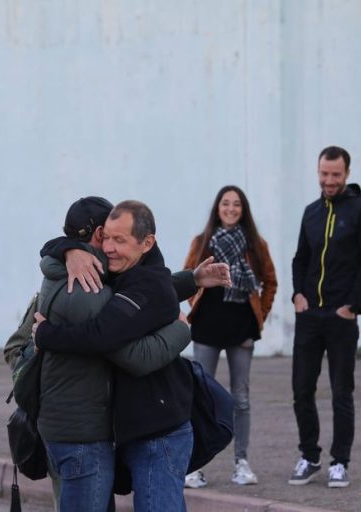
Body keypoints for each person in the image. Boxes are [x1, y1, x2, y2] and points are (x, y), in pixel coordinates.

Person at [34, 196, 193, 512]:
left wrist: (193, 279)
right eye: (107, 236)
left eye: (119, 239)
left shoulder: (65, 275)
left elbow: (146, 286)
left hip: (136, 427)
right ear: (95, 236)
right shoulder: (88, 284)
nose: (109, 246)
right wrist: (182, 330)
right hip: (84, 432)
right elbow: (131, 354)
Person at [288, 146, 361, 488]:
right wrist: (297, 295)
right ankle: (309, 456)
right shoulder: (311, 212)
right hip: (309, 316)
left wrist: (353, 306)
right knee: (301, 389)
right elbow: (301, 258)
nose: (329, 181)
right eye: (324, 174)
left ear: (347, 174)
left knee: (341, 391)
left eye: (335, 175)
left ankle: (339, 462)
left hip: (341, 317)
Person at [182, 185, 277, 488]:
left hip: (241, 328)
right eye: (226, 204)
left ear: (243, 209)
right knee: (200, 396)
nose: (231, 209)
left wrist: (258, 314)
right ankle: (195, 466)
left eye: (237, 204)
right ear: (218, 208)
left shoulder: (255, 244)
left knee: (241, 398)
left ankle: (242, 463)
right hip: (207, 326)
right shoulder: (202, 242)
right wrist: (194, 298)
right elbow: (186, 277)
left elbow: (270, 282)